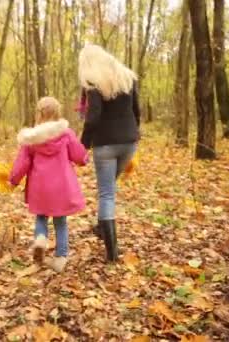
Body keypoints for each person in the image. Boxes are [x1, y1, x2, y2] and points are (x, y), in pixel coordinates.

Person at [9, 97, 88, 273]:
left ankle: (40, 239)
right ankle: (60, 257)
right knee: (60, 221)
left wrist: (13, 179)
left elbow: (22, 162)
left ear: (39, 114)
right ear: (57, 113)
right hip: (62, 185)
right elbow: (77, 153)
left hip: (40, 186)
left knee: (41, 217)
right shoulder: (65, 133)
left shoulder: (32, 138)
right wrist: (84, 159)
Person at [78, 44, 140, 262]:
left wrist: (83, 144)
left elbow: (93, 117)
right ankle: (102, 227)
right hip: (129, 142)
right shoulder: (127, 77)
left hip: (105, 144)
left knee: (106, 193)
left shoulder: (94, 83)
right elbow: (136, 111)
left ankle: (112, 253)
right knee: (110, 187)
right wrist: (134, 134)